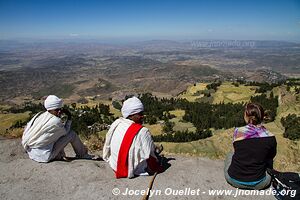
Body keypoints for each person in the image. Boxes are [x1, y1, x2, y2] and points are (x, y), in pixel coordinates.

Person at [103, 96, 164, 178]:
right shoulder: (143, 131)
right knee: (154, 154)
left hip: (115, 165)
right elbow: (150, 157)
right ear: (131, 115)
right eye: (140, 114)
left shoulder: (117, 123)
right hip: (130, 169)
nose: (143, 116)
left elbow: (108, 145)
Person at [22, 95, 93, 162]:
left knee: (56, 137)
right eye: (57, 110)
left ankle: (60, 155)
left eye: (60, 109)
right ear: (50, 109)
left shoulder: (40, 116)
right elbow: (65, 132)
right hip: (44, 156)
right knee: (72, 134)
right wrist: (69, 118)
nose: (59, 112)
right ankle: (82, 154)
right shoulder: (55, 121)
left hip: (32, 153)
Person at [224, 102, 277, 190]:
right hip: (260, 183)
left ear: (246, 116)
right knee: (269, 160)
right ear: (262, 116)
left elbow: (236, 150)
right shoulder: (271, 137)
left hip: (233, 179)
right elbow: (271, 156)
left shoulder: (238, 132)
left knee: (230, 154)